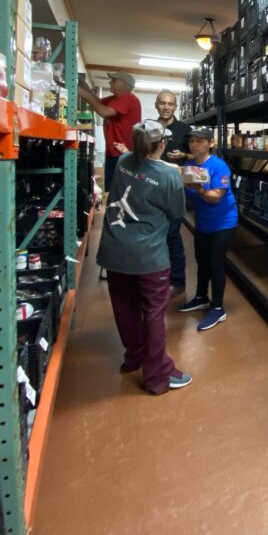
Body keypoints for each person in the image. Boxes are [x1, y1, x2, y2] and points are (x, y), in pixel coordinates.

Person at [95, 120, 191, 395]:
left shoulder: (124, 160)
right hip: (149, 256)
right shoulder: (168, 175)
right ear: (162, 144)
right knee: (153, 313)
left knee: (124, 306)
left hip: (114, 251)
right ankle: (158, 375)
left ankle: (134, 357)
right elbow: (176, 212)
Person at [176, 127, 238, 332]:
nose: (194, 145)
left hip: (223, 222)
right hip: (203, 222)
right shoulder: (189, 165)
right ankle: (201, 297)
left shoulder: (219, 167)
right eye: (192, 141)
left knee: (215, 262)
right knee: (201, 260)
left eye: (199, 141)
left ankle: (218, 307)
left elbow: (216, 197)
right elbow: (185, 194)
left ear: (210, 143)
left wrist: (200, 189)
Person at [78, 72, 143, 193]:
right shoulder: (115, 99)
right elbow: (96, 100)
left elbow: (105, 112)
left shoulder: (129, 98)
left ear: (124, 84)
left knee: (120, 192)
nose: (109, 83)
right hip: (114, 154)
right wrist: (83, 84)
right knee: (111, 191)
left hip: (124, 154)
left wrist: (81, 93)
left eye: (113, 80)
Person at [154, 90, 192, 294]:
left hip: (175, 191)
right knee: (154, 235)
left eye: (170, 104)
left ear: (176, 106)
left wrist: (185, 154)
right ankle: (157, 275)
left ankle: (177, 279)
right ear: (156, 105)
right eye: (162, 103)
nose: (166, 107)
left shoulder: (185, 130)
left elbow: (198, 157)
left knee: (172, 235)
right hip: (152, 189)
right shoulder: (150, 127)